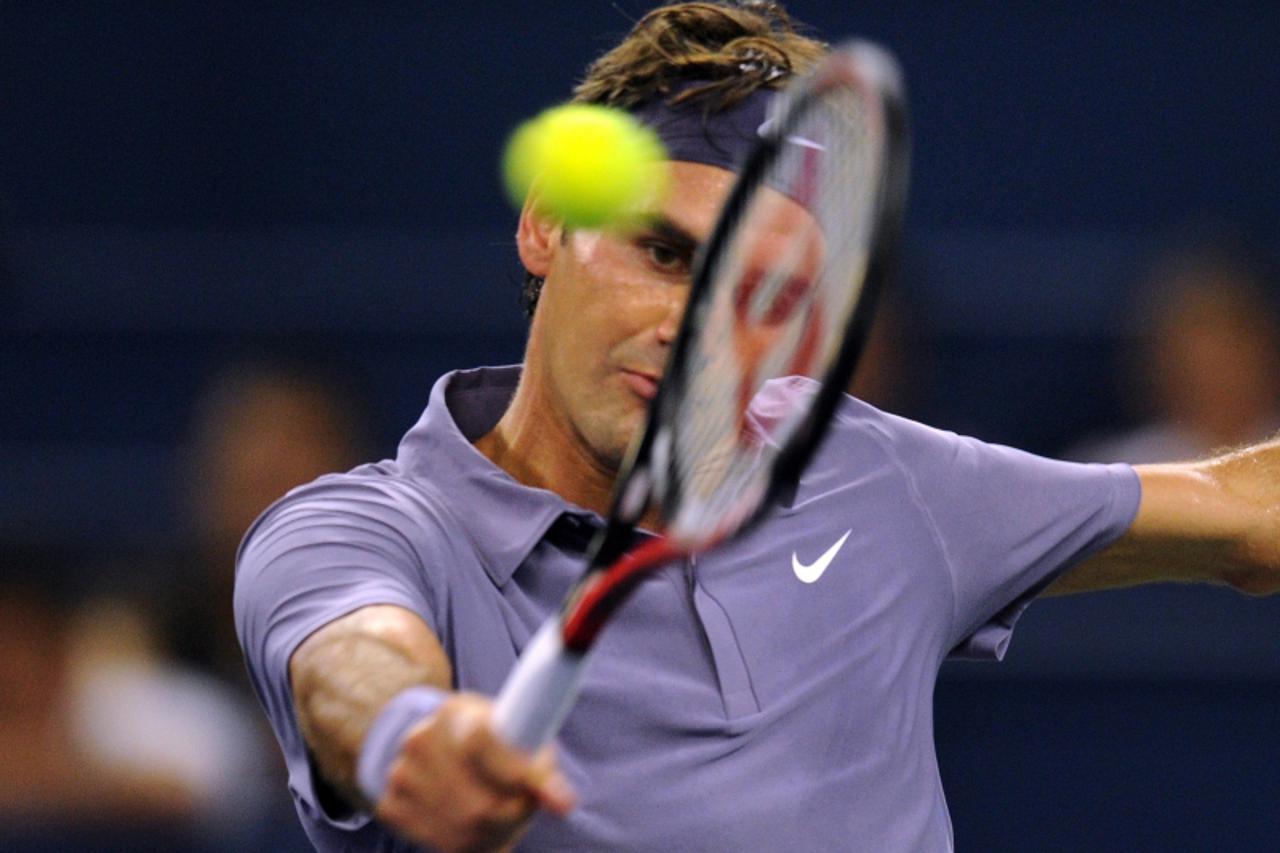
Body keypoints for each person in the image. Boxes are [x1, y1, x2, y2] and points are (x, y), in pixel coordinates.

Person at [233, 4, 1280, 851]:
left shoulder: (874, 473)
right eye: (664, 254)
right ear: (546, 222)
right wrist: (414, 733)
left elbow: (1247, 512)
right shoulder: (358, 529)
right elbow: (352, 654)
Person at [1069, 242, 1280, 464]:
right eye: (1197, 369)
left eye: (1231, 358)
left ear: (1265, 352)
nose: (1217, 382)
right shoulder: (1111, 469)